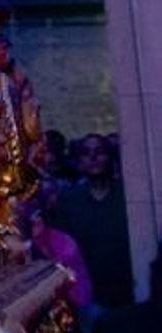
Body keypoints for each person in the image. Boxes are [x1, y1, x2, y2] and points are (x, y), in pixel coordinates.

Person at [48, 133, 135, 313]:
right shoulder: (68, 200)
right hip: (87, 296)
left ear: (110, 158)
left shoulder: (129, 197)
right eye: (86, 153)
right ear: (79, 161)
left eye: (99, 151)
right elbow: (60, 251)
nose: (93, 157)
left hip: (128, 291)